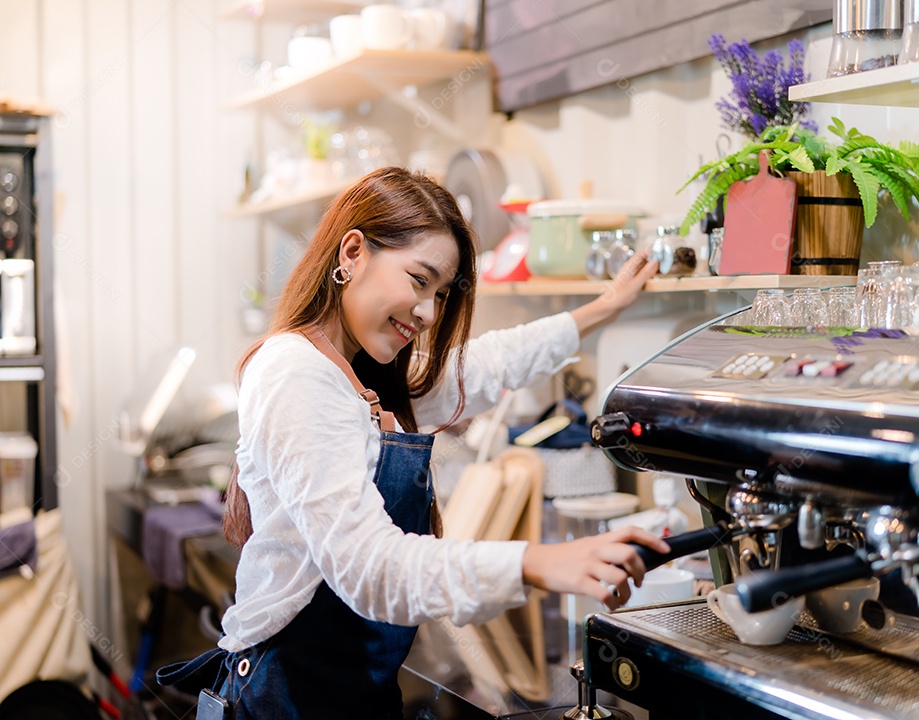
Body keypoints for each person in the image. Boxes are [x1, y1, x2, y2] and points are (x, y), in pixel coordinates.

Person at [158, 166, 669, 719]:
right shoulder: (296, 372)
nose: (427, 313)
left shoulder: (362, 377)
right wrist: (536, 562)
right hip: (283, 697)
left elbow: (490, 363)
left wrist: (605, 307)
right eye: (419, 280)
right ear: (352, 253)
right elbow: (369, 568)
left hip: (349, 695)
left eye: (441, 293)